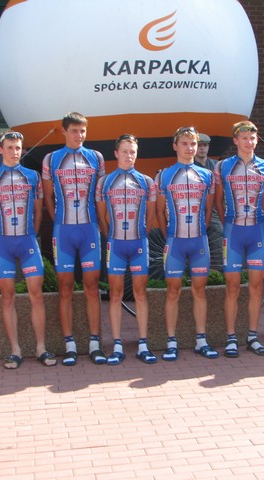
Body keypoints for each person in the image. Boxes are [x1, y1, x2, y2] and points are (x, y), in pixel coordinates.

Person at [0, 131, 56, 369]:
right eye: (10, 147)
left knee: (37, 294)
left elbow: (38, 211)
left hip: (28, 242)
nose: (14, 152)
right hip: (3, 243)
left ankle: (41, 347)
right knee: (7, 296)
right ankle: (15, 350)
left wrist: (31, 234)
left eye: (18, 148)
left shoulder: (32, 176)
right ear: (0, 150)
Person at [42, 112, 106, 366]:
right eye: (74, 131)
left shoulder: (96, 157)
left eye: (83, 131)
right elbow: (48, 197)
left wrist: (101, 226)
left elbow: (100, 196)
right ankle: (69, 345)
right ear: (64, 131)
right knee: (65, 287)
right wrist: (57, 221)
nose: (79, 135)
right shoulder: (52, 159)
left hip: (89, 229)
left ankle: (94, 344)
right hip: (64, 231)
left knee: (92, 286)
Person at [155, 126, 217, 361]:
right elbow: (159, 211)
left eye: (193, 144)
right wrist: (169, 236)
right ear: (175, 146)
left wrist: (201, 231)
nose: (190, 148)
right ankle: (171, 341)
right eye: (184, 143)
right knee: (173, 291)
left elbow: (209, 209)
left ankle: (201, 340)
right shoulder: (164, 175)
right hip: (175, 242)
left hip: (199, 240)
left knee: (200, 290)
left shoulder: (207, 175)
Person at [96, 134, 157, 365]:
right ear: (116, 153)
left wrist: (140, 235)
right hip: (116, 245)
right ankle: (117, 345)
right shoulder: (105, 182)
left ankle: (143, 344)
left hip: (138, 243)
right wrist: (111, 237)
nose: (129, 156)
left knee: (140, 293)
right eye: (125, 151)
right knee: (115, 294)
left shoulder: (146, 181)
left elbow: (151, 217)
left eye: (132, 152)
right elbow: (102, 217)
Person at [214, 120, 264, 358]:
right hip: (233, 231)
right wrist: (228, 222)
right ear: (236, 140)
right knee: (232, 286)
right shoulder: (223, 166)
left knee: (257, 285)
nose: (249, 142)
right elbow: (218, 201)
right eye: (244, 138)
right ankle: (230, 337)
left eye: (252, 138)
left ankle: (253, 336)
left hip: (256, 231)